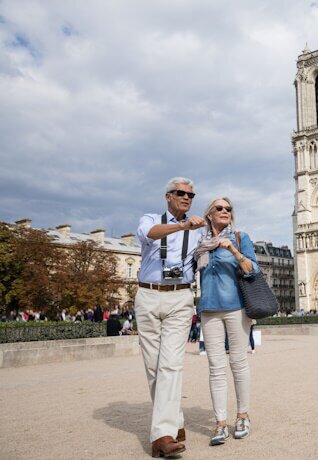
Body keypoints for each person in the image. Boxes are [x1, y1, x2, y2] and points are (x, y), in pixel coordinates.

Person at [135, 177, 206, 457]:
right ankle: (175, 422)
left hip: (179, 296)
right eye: (181, 193)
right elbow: (150, 234)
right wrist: (183, 226)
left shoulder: (198, 231)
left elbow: (208, 250)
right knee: (153, 367)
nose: (187, 197)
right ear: (168, 196)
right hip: (148, 294)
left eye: (191, 194)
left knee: (171, 364)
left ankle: (162, 436)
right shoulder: (151, 218)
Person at [195, 196, 260, 446]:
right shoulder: (199, 243)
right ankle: (220, 422)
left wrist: (231, 250)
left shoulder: (240, 238)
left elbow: (253, 269)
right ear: (209, 215)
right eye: (219, 208)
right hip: (209, 308)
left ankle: (242, 415)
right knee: (215, 367)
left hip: (236, 307)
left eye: (228, 209)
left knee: (238, 362)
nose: (224, 211)